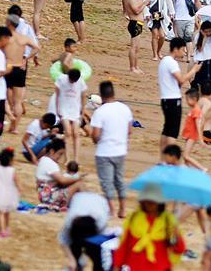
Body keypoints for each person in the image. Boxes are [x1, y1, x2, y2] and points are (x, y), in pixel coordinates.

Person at [113, 183, 186, 269]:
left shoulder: (168, 221)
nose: (150, 202)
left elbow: (179, 248)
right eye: (147, 199)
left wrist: (176, 232)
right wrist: (117, 265)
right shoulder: (133, 219)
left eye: (153, 199)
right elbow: (124, 245)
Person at [90, 81, 133, 218]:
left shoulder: (100, 112)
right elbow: (129, 130)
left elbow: (95, 135)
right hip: (120, 150)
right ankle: (122, 209)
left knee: (107, 182)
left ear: (101, 95)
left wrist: (97, 140)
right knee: (119, 180)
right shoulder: (124, 109)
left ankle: (113, 210)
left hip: (104, 151)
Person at [158, 38, 200, 155]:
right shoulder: (171, 62)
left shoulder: (164, 61)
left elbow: (177, 82)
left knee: (167, 128)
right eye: (182, 50)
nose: (184, 52)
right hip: (173, 99)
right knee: (172, 131)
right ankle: (170, 157)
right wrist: (194, 71)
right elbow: (181, 79)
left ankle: (163, 157)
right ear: (176, 49)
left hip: (165, 98)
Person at [59, 191, 110, 271]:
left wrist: (84, 259)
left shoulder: (101, 222)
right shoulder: (70, 221)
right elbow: (63, 240)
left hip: (98, 206)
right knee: (75, 251)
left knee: (97, 258)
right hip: (79, 200)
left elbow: (100, 242)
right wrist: (72, 260)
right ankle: (77, 264)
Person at [0, 148, 20, 238]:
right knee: (7, 212)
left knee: (0, 213)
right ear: (11, 161)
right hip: (10, 193)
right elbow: (17, 182)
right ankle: (7, 228)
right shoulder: (12, 170)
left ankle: (2, 230)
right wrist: (19, 189)